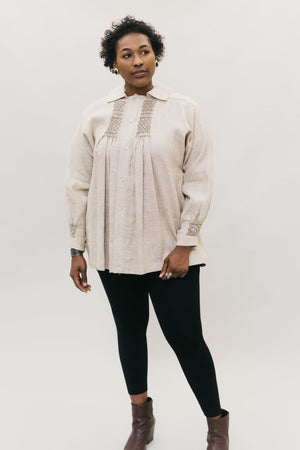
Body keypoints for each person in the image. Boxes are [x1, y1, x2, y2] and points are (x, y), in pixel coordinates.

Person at [65, 15, 230, 450]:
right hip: (112, 251)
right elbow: (78, 183)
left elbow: (199, 180)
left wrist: (184, 244)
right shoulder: (96, 115)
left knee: (186, 338)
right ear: (113, 64)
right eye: (127, 54)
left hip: (169, 253)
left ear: (156, 56)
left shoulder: (183, 110)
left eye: (145, 51)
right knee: (129, 332)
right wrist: (76, 248)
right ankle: (142, 420)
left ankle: (216, 425)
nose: (138, 61)